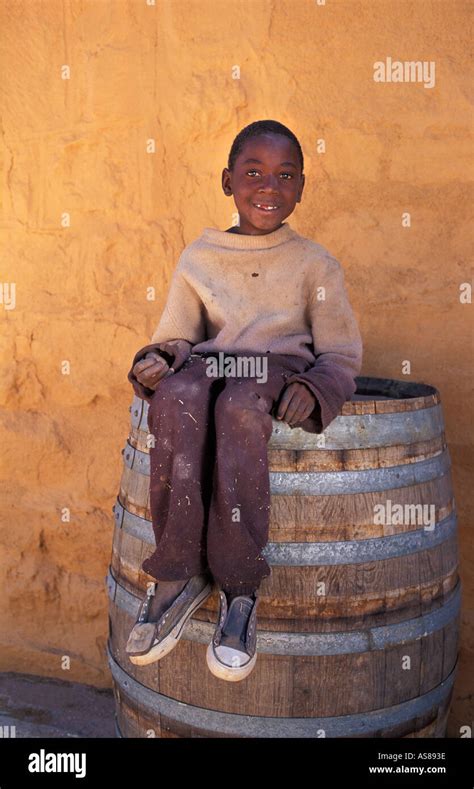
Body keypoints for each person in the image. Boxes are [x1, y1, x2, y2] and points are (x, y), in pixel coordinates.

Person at [124, 119, 363, 682]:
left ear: (302, 187)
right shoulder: (199, 257)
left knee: (239, 407)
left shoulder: (315, 265)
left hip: (274, 372)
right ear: (227, 181)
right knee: (179, 396)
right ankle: (177, 571)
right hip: (213, 365)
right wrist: (161, 359)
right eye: (252, 173)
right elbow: (181, 335)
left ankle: (238, 587)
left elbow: (342, 355)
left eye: (285, 176)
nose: (268, 187)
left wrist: (314, 388)